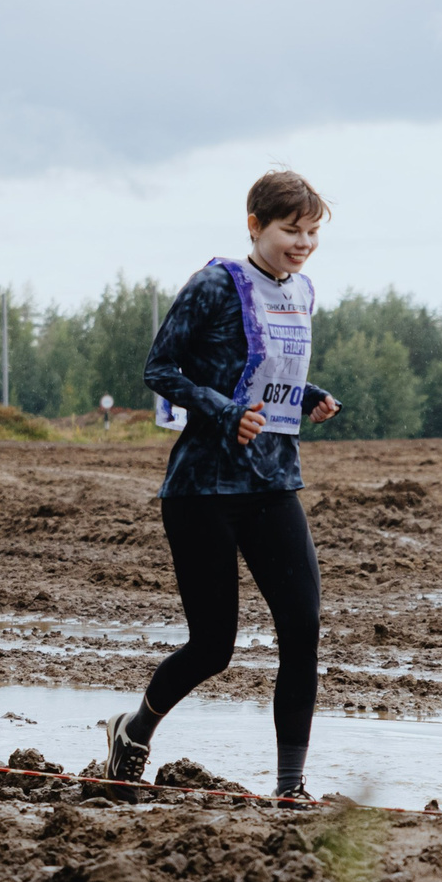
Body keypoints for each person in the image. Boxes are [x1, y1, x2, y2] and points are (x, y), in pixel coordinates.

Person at [107, 171, 341, 802]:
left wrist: (311, 396)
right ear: (254, 225)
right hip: (202, 491)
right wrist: (222, 409)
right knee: (214, 647)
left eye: (312, 232)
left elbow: (266, 375)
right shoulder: (214, 284)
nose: (303, 243)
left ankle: (290, 788)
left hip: (273, 483)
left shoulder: (302, 292)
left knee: (302, 630)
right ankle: (133, 730)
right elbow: (161, 369)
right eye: (291, 231)